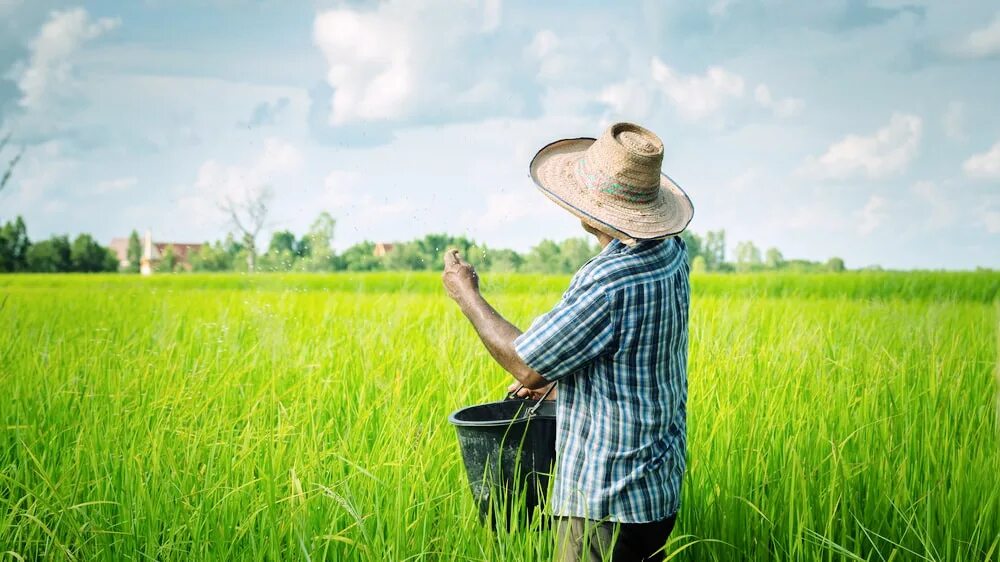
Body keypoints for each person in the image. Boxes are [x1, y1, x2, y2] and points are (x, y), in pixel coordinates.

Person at [442, 122, 694, 562]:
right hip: (656, 491)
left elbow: (527, 364)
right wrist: (560, 385)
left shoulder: (609, 280)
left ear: (595, 207)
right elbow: (634, 360)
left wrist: (468, 295)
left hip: (605, 502)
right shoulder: (671, 252)